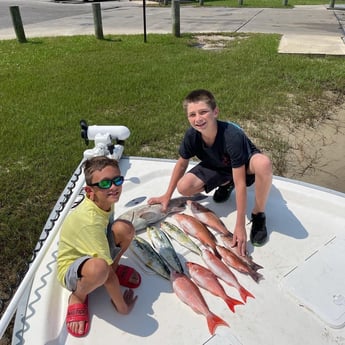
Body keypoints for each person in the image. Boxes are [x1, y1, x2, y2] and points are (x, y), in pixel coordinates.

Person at [148, 89, 272, 256]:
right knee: (184, 187)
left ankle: (258, 215)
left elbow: (241, 182)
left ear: (215, 112)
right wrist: (167, 195)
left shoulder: (232, 135)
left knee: (263, 163)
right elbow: (182, 163)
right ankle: (226, 184)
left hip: (244, 166)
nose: (198, 119)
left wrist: (240, 225)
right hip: (218, 165)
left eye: (203, 112)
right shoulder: (192, 135)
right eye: (192, 115)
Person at [57, 156, 141, 338]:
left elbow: (109, 230)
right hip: (71, 268)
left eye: (117, 180)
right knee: (100, 269)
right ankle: (78, 296)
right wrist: (123, 308)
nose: (113, 187)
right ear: (89, 191)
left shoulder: (104, 201)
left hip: (93, 247)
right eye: (104, 184)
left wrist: (110, 272)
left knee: (125, 229)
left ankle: (113, 267)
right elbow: (108, 276)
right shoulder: (90, 221)